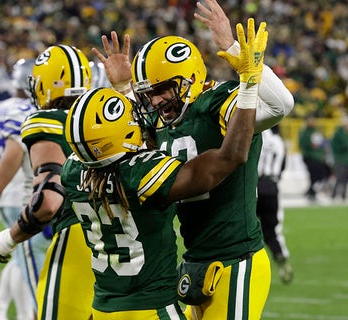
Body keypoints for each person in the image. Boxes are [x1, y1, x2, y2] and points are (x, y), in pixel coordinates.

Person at [96, 1, 293, 318]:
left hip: (236, 259)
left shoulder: (218, 101)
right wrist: (122, 88)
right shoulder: (161, 120)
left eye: (163, 89)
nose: (156, 100)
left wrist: (237, 55)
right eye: (149, 92)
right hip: (193, 261)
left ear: (189, 78)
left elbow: (280, 105)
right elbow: (132, 130)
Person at [63, 46, 259, 315]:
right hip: (151, 306)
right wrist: (249, 81)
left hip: (102, 307)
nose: (139, 115)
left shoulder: (72, 172)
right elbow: (230, 157)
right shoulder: (141, 174)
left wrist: (123, 89)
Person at [0, 44, 95, 320]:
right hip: (130, 251)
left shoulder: (45, 121)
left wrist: (9, 238)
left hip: (78, 241)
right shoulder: (110, 116)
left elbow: (49, 201)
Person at [0, 58, 48, 320]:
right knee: (29, 262)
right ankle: (22, 314)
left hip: (2, 193)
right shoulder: (28, 111)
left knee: (18, 259)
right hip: (24, 190)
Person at [257, 126, 293, 284]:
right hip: (272, 186)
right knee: (272, 229)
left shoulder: (255, 136)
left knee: (246, 227)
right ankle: (280, 256)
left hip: (254, 186)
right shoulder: (278, 141)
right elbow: (283, 166)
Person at [298, 114, 329, 201]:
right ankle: (311, 192)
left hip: (318, 158)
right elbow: (302, 144)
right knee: (314, 175)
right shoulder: (304, 132)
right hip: (310, 157)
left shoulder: (317, 131)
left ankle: (310, 191)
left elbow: (321, 143)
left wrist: (323, 153)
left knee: (320, 175)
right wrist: (310, 146)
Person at [330, 116, 348, 202]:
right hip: (340, 159)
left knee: (345, 178)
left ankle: (344, 194)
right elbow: (337, 145)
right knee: (339, 177)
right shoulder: (339, 133)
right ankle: (334, 195)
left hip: (347, 159)